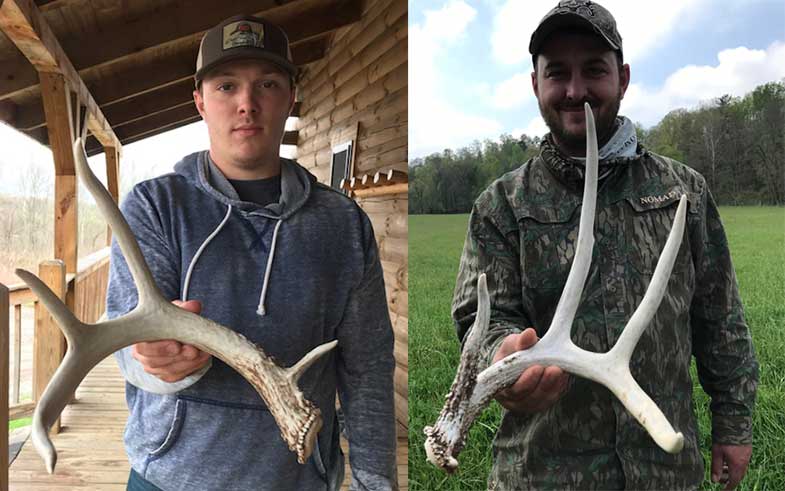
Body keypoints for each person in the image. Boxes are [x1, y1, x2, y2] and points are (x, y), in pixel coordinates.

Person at [451, 1, 758, 490]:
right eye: (558, 74)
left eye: (594, 70)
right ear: (535, 84)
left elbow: (720, 317)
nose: (575, 91)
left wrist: (734, 424)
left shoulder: (685, 191)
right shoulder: (501, 204)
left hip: (663, 471)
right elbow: (480, 319)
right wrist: (503, 357)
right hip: (542, 474)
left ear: (624, 77)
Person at [107, 14, 397, 491]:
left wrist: (375, 482)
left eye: (266, 83)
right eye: (226, 86)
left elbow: (367, 367)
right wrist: (158, 360)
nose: (247, 104)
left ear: (290, 97)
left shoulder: (342, 225)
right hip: (171, 478)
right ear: (199, 101)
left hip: (297, 478)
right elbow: (128, 351)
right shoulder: (154, 207)